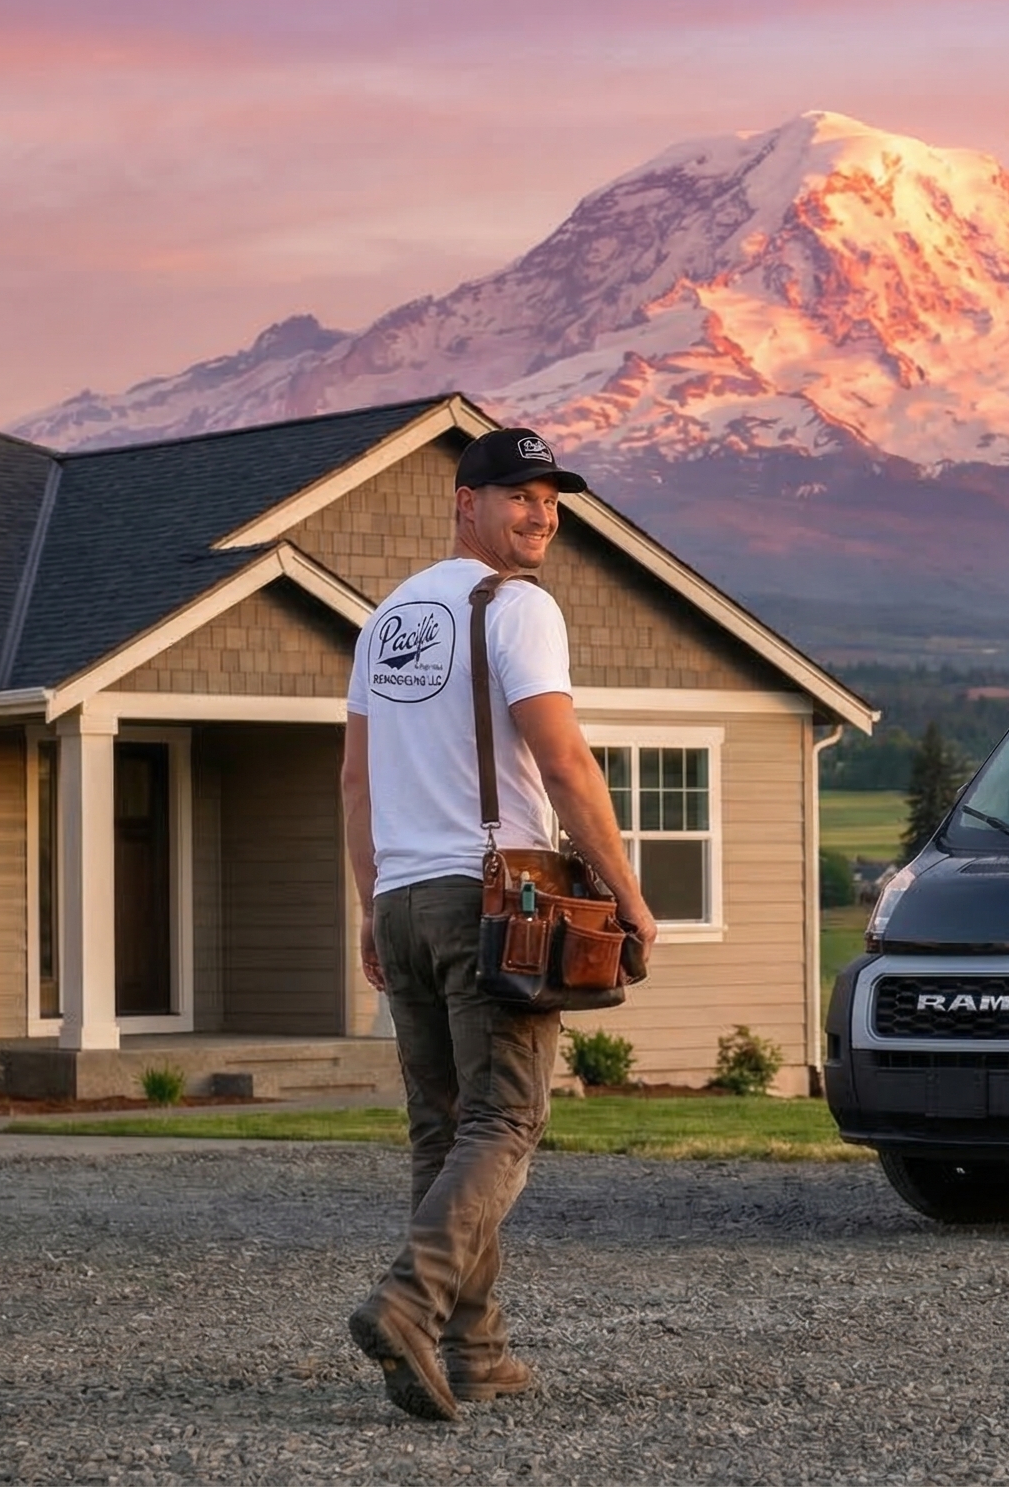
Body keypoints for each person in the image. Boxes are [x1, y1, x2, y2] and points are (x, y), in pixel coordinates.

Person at [339, 425, 658, 1421]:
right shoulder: (518, 608)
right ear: (463, 501)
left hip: (403, 899)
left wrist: (369, 903)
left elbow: (355, 778)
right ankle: (408, 1302)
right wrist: (630, 895)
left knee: (444, 1130)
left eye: (550, 500)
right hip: (491, 895)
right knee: (507, 1118)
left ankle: (475, 1352)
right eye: (517, 495)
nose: (539, 514)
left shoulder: (387, 615)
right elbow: (563, 762)